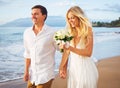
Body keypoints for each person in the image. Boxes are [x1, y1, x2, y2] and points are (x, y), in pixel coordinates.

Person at [59, 6, 99, 88]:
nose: (70, 21)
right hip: (74, 69)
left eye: (72, 18)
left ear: (79, 17)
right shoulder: (69, 32)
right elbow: (66, 53)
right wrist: (63, 68)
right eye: (69, 19)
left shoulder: (88, 30)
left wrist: (69, 47)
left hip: (85, 69)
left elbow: (88, 52)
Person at [23, 5, 57, 88]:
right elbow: (28, 54)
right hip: (32, 76)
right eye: (32, 14)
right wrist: (26, 72)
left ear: (44, 16)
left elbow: (63, 49)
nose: (33, 16)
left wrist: (63, 67)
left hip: (46, 75)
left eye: (36, 14)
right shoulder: (27, 32)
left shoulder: (52, 32)